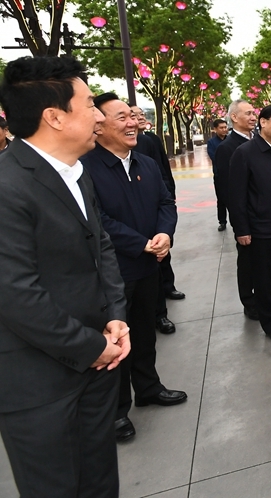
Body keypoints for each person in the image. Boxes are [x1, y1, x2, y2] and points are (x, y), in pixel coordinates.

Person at [0, 56, 129, 497]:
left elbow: (101, 247)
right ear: (54, 117)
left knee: (99, 482)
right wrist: (91, 346)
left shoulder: (75, 172)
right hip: (38, 385)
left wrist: (116, 316)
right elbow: (16, 295)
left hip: (98, 364)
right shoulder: (8, 186)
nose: (99, 116)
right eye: (90, 105)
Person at [81, 93, 186, 442]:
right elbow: (97, 219)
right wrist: (140, 243)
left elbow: (165, 202)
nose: (133, 123)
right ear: (99, 126)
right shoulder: (85, 169)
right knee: (116, 341)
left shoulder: (146, 163)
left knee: (144, 332)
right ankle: (116, 411)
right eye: (122, 117)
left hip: (148, 265)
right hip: (112, 273)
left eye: (132, 116)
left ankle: (149, 388)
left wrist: (164, 234)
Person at [229, 104, 271, 342]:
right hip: (260, 228)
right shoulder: (245, 153)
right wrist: (242, 229)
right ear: (263, 122)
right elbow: (236, 195)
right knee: (264, 279)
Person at [131, 105, 182, 335]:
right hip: (131, 239)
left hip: (154, 217)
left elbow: (162, 168)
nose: (136, 120)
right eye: (130, 115)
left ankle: (163, 307)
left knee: (162, 258)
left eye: (139, 115)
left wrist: (170, 194)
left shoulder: (149, 142)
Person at [215, 100, 259, 319]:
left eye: (254, 113)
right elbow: (226, 191)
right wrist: (240, 225)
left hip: (265, 214)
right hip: (246, 217)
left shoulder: (259, 141)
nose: (253, 117)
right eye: (248, 113)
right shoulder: (226, 148)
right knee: (248, 261)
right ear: (234, 117)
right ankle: (249, 302)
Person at [207, 119, 229, 230]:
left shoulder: (230, 140)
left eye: (225, 127)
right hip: (219, 175)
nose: (224, 130)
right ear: (215, 129)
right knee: (221, 199)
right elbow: (214, 157)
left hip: (232, 174)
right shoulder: (211, 142)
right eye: (221, 128)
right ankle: (222, 221)